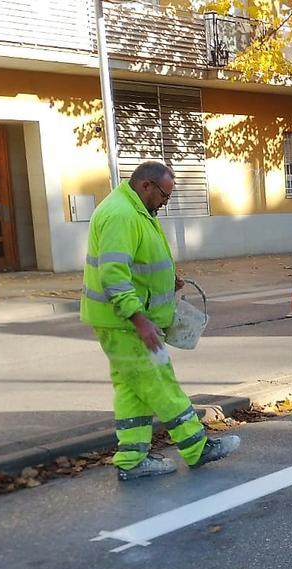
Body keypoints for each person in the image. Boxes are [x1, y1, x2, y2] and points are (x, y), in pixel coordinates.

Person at [80, 161, 240, 481]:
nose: (165, 202)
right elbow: (113, 275)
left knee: (133, 391)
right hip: (126, 323)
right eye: (164, 195)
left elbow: (140, 261)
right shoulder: (121, 215)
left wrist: (170, 278)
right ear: (146, 186)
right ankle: (196, 448)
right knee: (161, 383)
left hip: (122, 321)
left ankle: (131, 459)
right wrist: (139, 320)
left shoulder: (136, 210)